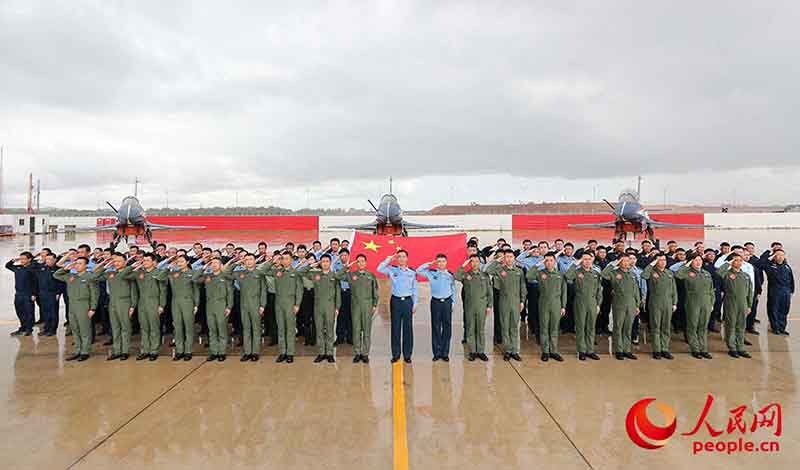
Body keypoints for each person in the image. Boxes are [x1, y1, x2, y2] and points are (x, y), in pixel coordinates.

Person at [91, 254, 138, 360]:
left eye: (119, 261)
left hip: (125, 302)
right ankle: (117, 350)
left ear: (125, 262)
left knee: (125, 328)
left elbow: (133, 291)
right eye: (115, 261)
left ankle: (125, 351)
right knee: (115, 327)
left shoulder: (130, 274)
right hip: (113, 302)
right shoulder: (110, 273)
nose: (116, 263)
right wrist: (105, 264)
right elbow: (94, 276)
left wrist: (133, 305)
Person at [222, 253, 267, 361]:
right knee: (246, 329)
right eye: (246, 260)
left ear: (255, 261)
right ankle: (247, 352)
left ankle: (255, 352)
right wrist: (237, 262)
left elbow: (263, 291)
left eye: (251, 259)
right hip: (244, 305)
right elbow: (225, 272)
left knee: (256, 329)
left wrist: (262, 305)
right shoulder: (240, 273)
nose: (248, 261)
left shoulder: (259, 273)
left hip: (256, 304)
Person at [262, 251, 305, 364]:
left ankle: (290, 353)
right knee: (281, 328)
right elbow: (262, 271)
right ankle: (282, 352)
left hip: (290, 303)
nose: (284, 260)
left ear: (291, 260)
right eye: (283, 258)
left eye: (286, 258)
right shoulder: (277, 272)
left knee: (290, 329)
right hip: (279, 303)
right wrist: (272, 261)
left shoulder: (295, 272)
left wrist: (297, 304)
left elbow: (299, 290)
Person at [335, 254, 379, 363]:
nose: (361, 263)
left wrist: (374, 305)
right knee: (356, 330)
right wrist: (347, 267)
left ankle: (365, 354)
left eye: (363, 261)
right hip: (355, 307)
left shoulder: (371, 276)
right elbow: (337, 276)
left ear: (366, 262)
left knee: (367, 331)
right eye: (358, 261)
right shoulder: (351, 275)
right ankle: (357, 353)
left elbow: (375, 292)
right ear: (356, 263)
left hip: (367, 306)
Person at [53, 257, 98, 361]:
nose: (77, 265)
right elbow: (56, 275)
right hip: (72, 305)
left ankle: (85, 351)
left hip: (84, 305)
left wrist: (93, 308)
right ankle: (77, 350)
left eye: (80, 263)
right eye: (76, 263)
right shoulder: (71, 276)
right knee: (75, 328)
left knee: (84, 329)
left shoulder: (89, 277)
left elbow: (94, 294)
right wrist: (66, 268)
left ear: (86, 265)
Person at [485, 249, 526, 362]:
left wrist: (522, 301)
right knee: (505, 327)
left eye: (510, 257)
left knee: (514, 327)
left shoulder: (519, 271)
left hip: (516, 302)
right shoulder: (500, 270)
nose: (508, 259)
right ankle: (507, 351)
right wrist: (498, 260)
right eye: (506, 257)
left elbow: (522, 287)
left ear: (514, 258)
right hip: (504, 302)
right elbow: (488, 270)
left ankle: (515, 351)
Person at [378, 250, 418, 364]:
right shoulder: (392, 269)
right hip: (395, 301)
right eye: (399, 257)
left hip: (407, 301)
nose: (401, 259)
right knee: (395, 329)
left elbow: (415, 289)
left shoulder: (412, 272)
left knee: (408, 329)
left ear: (407, 259)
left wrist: (415, 303)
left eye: (403, 256)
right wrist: (389, 258)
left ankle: (407, 355)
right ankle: (395, 354)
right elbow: (379, 268)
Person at [125, 253, 167, 361]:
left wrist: (161, 305)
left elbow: (163, 291)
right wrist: (134, 265)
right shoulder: (139, 273)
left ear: (153, 262)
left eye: (148, 260)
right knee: (144, 328)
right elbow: (124, 275)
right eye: (144, 260)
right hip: (142, 303)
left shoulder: (159, 272)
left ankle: (154, 351)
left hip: (154, 302)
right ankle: (145, 350)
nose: (145, 262)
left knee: (154, 327)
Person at [157, 255, 199, 361]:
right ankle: (180, 350)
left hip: (188, 302)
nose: (179, 263)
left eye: (181, 261)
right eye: (178, 262)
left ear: (187, 261)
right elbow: (160, 277)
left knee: (188, 327)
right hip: (175, 302)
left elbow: (196, 290)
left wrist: (196, 304)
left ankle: (188, 351)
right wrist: (168, 267)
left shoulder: (192, 273)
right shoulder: (173, 273)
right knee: (177, 327)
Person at [527, 252, 567, 362]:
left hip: (556, 304)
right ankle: (545, 351)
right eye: (546, 261)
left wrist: (563, 306)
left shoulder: (560, 275)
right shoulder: (540, 273)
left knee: (554, 328)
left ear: (555, 262)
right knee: (544, 328)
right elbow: (529, 276)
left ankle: (553, 351)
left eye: (551, 260)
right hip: (543, 303)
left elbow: (564, 291)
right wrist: (537, 264)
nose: (549, 263)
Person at [563, 252, 603, 361]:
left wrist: (598, 304)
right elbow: (567, 276)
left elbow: (599, 290)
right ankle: (581, 350)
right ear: (581, 261)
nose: (587, 261)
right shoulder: (577, 272)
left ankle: (590, 350)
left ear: (592, 260)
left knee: (591, 327)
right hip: (580, 301)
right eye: (584, 259)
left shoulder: (595, 273)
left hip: (592, 302)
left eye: (589, 259)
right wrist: (576, 263)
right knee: (580, 326)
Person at [193, 257, 234, 362]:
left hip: (221, 304)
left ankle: (222, 352)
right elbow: (194, 279)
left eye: (216, 263)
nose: (214, 264)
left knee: (222, 329)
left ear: (220, 265)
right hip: (210, 305)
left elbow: (230, 293)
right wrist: (203, 268)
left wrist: (229, 306)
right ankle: (213, 352)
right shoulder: (208, 276)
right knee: (212, 330)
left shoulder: (225, 277)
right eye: (212, 263)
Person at [674, 255, 715, 359]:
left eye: (700, 260)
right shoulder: (687, 273)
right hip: (693, 302)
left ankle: (704, 349)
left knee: (703, 327)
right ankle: (695, 349)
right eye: (695, 260)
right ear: (691, 262)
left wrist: (711, 303)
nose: (698, 262)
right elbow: (678, 275)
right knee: (692, 326)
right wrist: (686, 264)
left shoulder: (706, 274)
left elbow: (711, 290)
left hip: (706, 303)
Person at [418, 254, 457, 362]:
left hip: (447, 302)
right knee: (436, 327)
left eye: (443, 261)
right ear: (436, 263)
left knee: (447, 328)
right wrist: (429, 264)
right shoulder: (431, 273)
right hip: (435, 302)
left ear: (446, 262)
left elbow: (453, 289)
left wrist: (453, 302)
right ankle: (437, 352)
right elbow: (418, 270)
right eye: (438, 261)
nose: (441, 263)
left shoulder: (450, 275)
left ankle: (445, 352)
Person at [303, 254, 341, 363]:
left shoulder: (334, 276)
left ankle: (329, 353)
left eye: (327, 261)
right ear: (320, 263)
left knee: (329, 330)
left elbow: (337, 293)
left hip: (330, 306)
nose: (325, 263)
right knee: (319, 330)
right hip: (318, 306)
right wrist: (311, 266)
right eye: (323, 261)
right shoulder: (315, 275)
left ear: (330, 263)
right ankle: (321, 353)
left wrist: (337, 307)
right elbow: (301, 273)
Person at [601, 257, 641, 360]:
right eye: (625, 261)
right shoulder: (614, 273)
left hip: (631, 304)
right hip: (619, 303)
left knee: (628, 328)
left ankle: (627, 350)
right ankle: (618, 350)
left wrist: (637, 305)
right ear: (620, 262)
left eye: (628, 261)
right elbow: (603, 274)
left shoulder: (632, 274)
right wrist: (613, 263)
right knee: (618, 327)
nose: (627, 263)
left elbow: (636, 290)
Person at [455, 254, 492, 362]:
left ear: (480, 263)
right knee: (470, 328)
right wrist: (463, 265)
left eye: (477, 261)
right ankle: (472, 351)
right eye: (472, 261)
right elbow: (456, 276)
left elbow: (489, 292)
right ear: (470, 263)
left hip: (482, 306)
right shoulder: (466, 275)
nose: (475, 263)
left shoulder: (485, 276)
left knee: (480, 329)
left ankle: (480, 351)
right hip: (470, 306)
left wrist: (489, 305)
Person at [641, 254, 678, 360]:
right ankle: (656, 350)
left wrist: (674, 302)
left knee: (666, 327)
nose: (662, 262)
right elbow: (644, 275)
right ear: (656, 262)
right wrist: (652, 263)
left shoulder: (669, 273)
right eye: (660, 260)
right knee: (656, 326)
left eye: (664, 260)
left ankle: (664, 349)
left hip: (668, 303)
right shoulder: (652, 272)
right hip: (655, 302)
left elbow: (673, 289)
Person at [719, 253, 753, 358]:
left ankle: (740, 347)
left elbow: (750, 292)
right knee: (731, 325)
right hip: (730, 302)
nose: (738, 262)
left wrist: (749, 305)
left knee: (741, 326)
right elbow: (719, 272)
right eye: (735, 260)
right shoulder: (727, 274)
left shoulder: (745, 276)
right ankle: (732, 347)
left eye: (740, 260)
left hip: (743, 304)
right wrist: (728, 262)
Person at [6, 252, 37, 336]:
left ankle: (29, 329)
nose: (21, 260)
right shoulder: (18, 267)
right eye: (20, 259)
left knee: (29, 312)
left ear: (29, 259)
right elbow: (7, 266)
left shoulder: (32, 269)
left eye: (23, 259)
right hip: (18, 294)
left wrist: (34, 294)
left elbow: (36, 282)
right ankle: (22, 327)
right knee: (20, 312)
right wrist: (13, 260)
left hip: (28, 294)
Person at [764, 249, 794, 335]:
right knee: (774, 309)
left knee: (784, 310)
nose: (780, 257)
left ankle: (782, 328)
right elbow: (760, 264)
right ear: (774, 257)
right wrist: (770, 255)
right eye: (778, 255)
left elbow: (791, 279)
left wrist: (791, 291)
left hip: (786, 291)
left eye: (782, 255)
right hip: (775, 291)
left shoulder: (787, 267)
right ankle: (775, 328)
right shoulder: (770, 266)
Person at [33, 252, 61, 336]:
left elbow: (61, 283)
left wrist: (58, 293)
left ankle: (52, 330)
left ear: (55, 260)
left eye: (50, 259)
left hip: (52, 294)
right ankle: (46, 328)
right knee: (45, 312)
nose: (47, 261)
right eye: (46, 259)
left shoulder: (57, 269)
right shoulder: (42, 268)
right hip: (42, 293)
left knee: (53, 313)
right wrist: (36, 293)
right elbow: (36, 280)